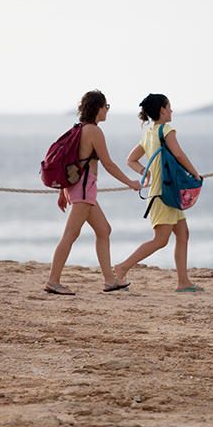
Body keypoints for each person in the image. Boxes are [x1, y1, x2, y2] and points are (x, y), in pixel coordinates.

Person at [45, 90, 141, 296]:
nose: (107, 110)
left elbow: (72, 160)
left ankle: (109, 280)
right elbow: (108, 164)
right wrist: (130, 182)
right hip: (84, 190)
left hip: (78, 189)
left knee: (104, 230)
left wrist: (63, 192)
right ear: (98, 108)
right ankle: (53, 281)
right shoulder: (94, 132)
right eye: (106, 106)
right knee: (70, 235)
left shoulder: (79, 129)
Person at [114, 94, 204, 292]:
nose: (171, 110)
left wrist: (147, 175)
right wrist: (195, 173)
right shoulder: (166, 129)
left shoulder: (149, 133)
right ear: (162, 110)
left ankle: (183, 282)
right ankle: (122, 268)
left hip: (164, 191)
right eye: (169, 107)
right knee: (160, 240)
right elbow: (179, 154)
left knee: (183, 234)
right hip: (165, 194)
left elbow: (131, 159)